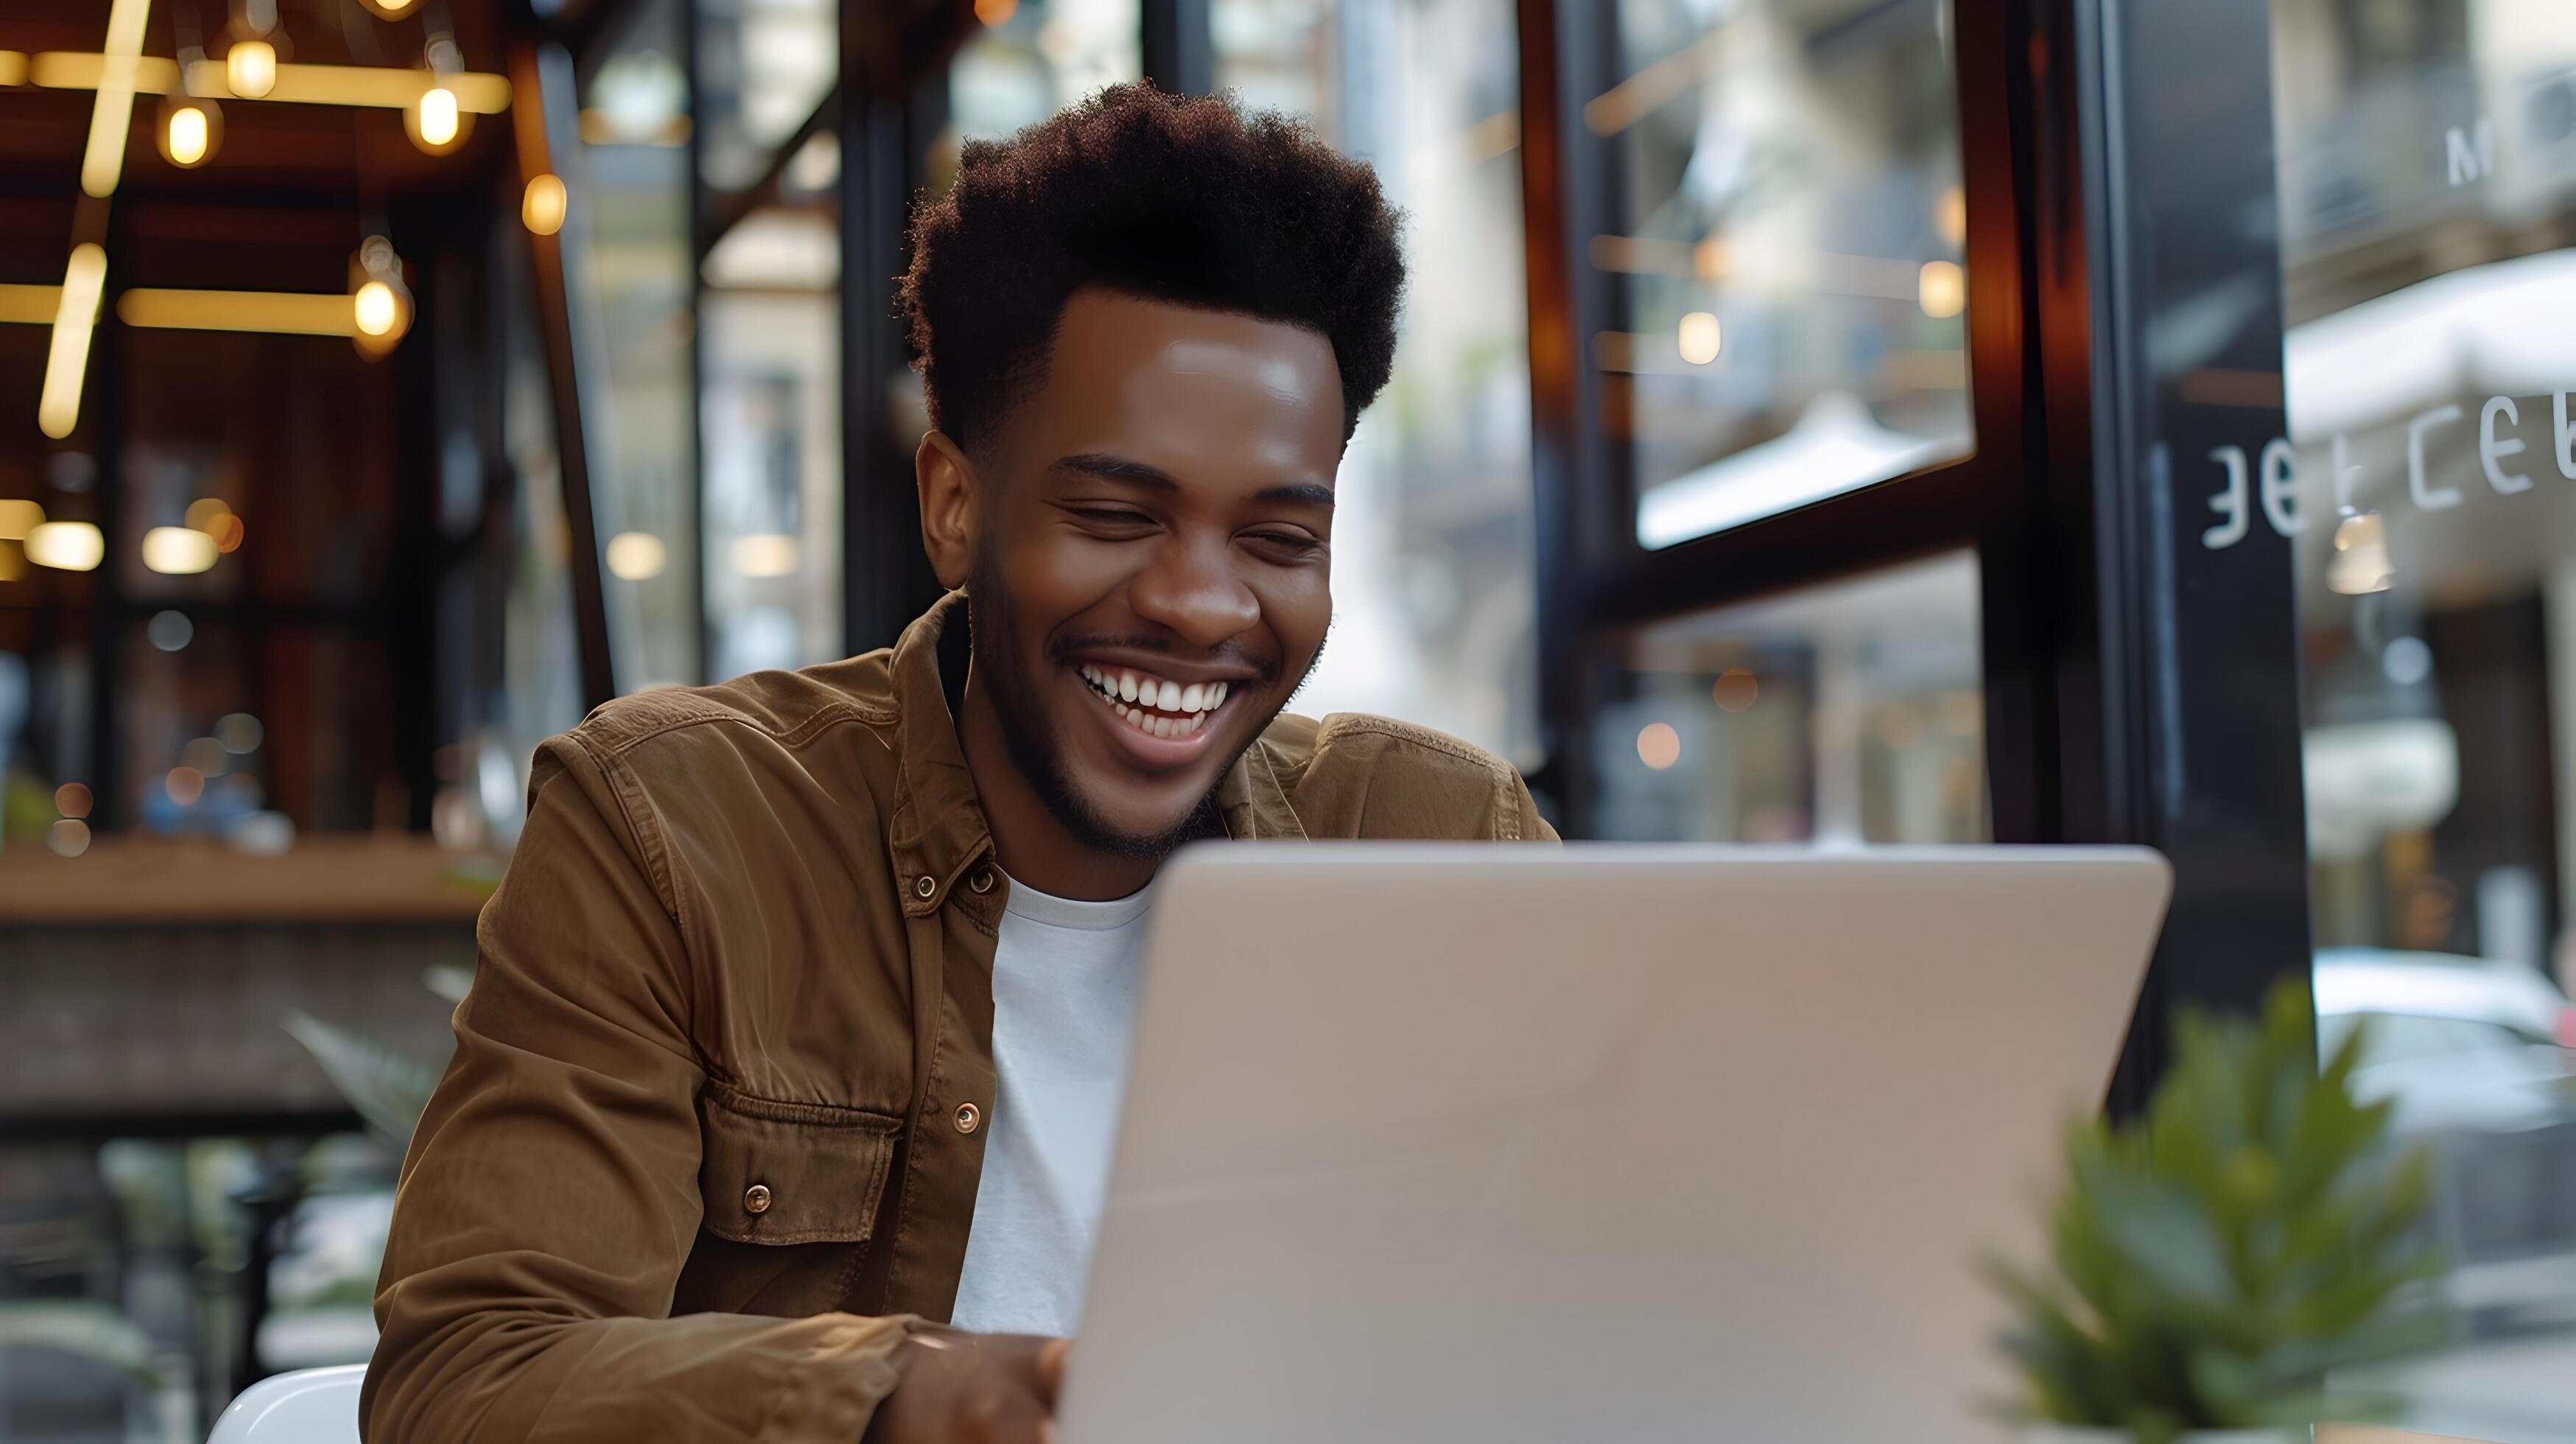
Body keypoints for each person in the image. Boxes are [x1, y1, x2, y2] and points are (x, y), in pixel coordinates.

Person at [364, 83, 1552, 1444]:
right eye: (1115, 515)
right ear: (952, 504)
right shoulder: (679, 827)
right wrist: (914, 1397)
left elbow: (1629, 1305)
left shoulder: (1439, 840)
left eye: (1278, 541)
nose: (1204, 605)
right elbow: (468, 1381)